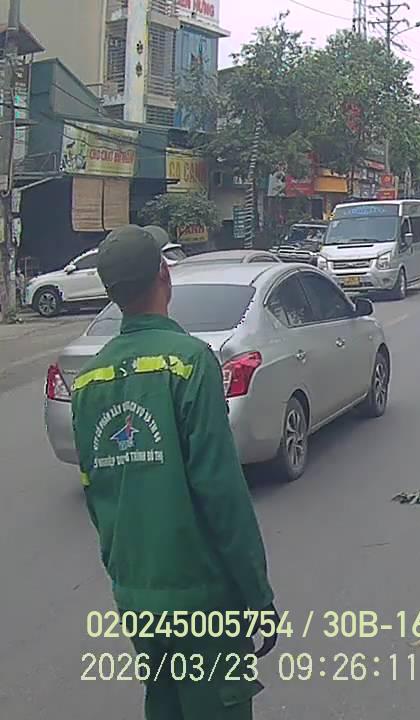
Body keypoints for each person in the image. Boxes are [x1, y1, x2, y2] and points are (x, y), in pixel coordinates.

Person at [70, 225, 277, 720]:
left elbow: (97, 494)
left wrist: (128, 579)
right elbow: (221, 492)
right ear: (165, 274)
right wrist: (257, 595)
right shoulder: (189, 362)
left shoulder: (89, 381)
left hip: (137, 597)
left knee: (164, 705)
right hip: (202, 599)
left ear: (111, 291)